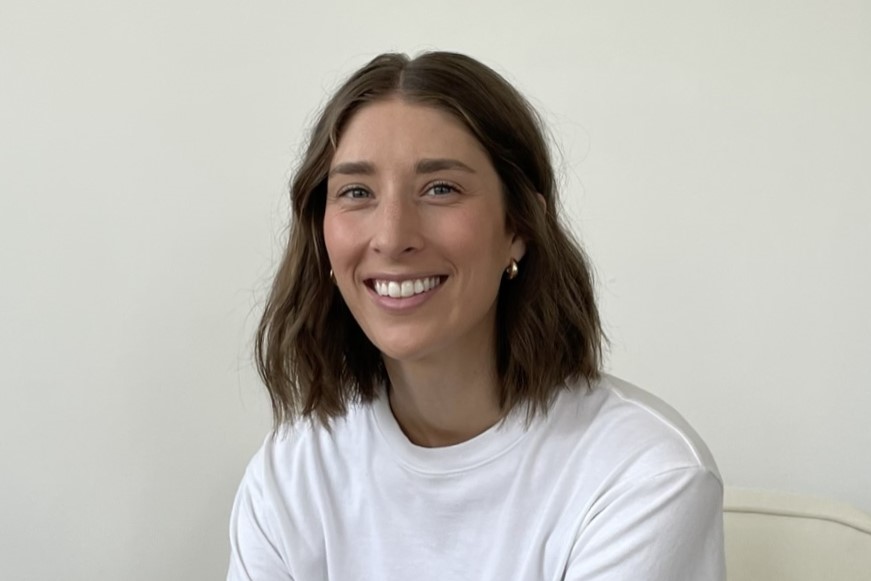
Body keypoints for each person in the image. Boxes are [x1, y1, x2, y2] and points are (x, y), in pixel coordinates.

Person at [227, 51, 725, 581]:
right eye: (356, 192)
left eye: (440, 188)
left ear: (517, 228)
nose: (393, 237)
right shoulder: (292, 470)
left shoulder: (643, 474)